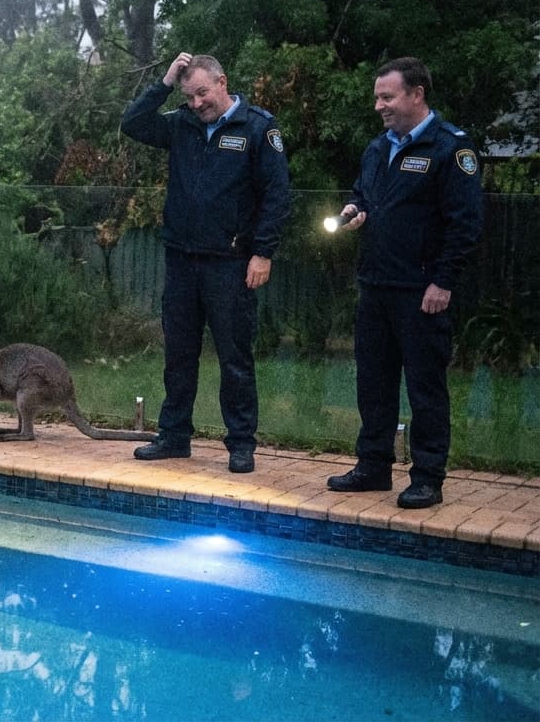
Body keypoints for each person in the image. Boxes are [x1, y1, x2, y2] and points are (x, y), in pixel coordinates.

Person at [120, 52, 292, 474]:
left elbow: (276, 195)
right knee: (179, 355)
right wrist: (163, 83)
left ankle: (241, 443)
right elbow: (133, 123)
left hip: (231, 265)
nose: (197, 103)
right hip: (182, 261)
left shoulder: (257, 128)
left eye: (202, 93)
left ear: (222, 82)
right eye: (188, 94)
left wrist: (263, 252)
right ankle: (174, 436)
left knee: (235, 358)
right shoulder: (182, 125)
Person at [325, 57, 483, 509]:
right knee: (373, 383)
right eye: (378, 97)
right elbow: (363, 195)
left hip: (422, 292)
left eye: (387, 96)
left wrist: (443, 282)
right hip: (375, 285)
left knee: (425, 387)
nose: (379, 105)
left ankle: (428, 476)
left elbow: (465, 224)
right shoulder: (379, 149)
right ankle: (373, 466)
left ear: (417, 94)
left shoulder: (450, 149)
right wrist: (354, 212)